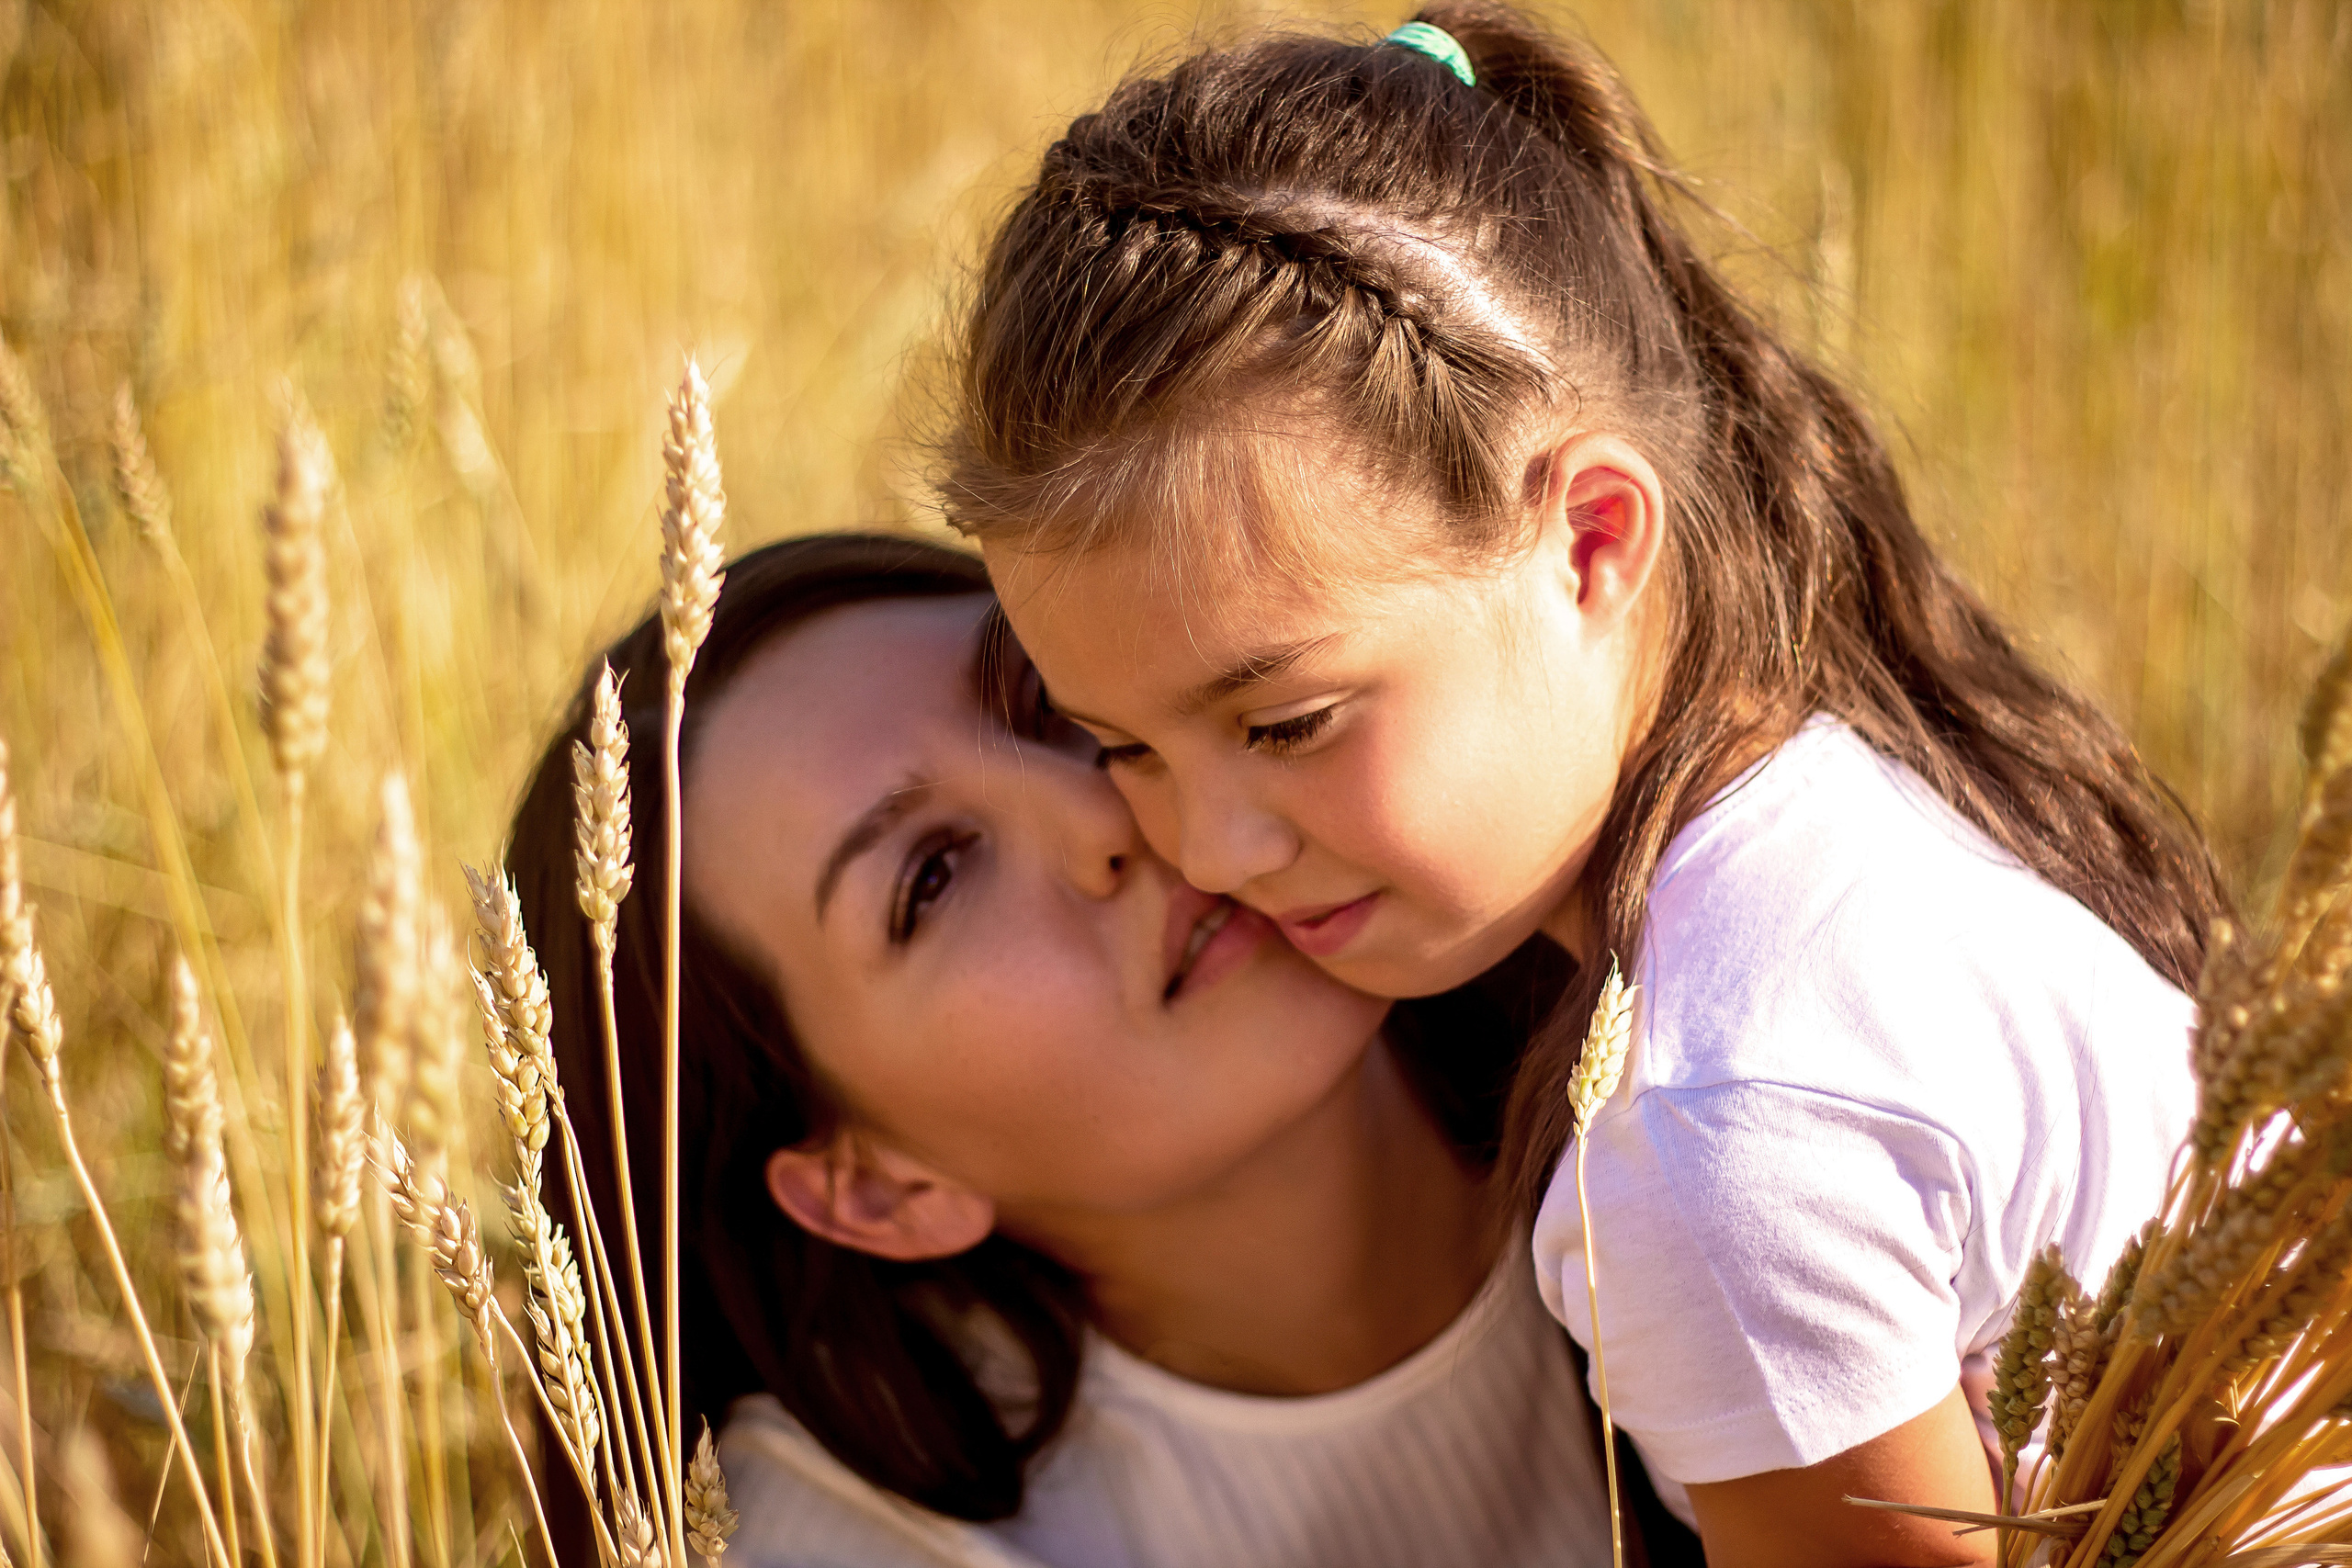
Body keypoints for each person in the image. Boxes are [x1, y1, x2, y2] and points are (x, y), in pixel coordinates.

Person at [951, 6, 2224, 1564]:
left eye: (1289, 720)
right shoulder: (1873, 792)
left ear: (1592, 541)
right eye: (1126, 749)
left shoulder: (1707, 1152)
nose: (1206, 847)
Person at [504, 534, 1681, 1568]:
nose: (1107, 816)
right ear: (878, 1187)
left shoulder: (1725, 1051)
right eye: (932, 878)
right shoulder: (856, 1548)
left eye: (1051, 704)